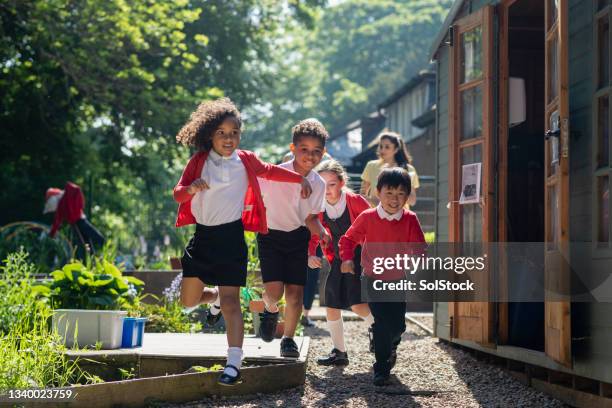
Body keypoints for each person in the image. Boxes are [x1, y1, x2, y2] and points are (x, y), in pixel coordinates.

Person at [173, 97, 312, 386]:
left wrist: (299, 179)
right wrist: (190, 188)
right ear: (210, 134)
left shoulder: (245, 160)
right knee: (187, 302)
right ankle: (211, 300)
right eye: (222, 133)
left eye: (234, 133)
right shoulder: (199, 161)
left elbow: (270, 171)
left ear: (240, 135)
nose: (228, 138)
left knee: (232, 303)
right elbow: (177, 194)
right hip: (202, 239)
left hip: (232, 239)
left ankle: (234, 364)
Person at [339, 167, 426, 386]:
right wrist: (347, 259)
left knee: (397, 326)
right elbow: (347, 240)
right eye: (389, 193)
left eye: (400, 194)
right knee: (381, 323)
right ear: (378, 192)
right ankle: (381, 368)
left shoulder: (410, 219)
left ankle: (391, 345)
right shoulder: (367, 217)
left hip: (398, 278)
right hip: (372, 277)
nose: (394, 199)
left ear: (407, 196)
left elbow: (419, 248)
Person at [257, 118, 330, 358]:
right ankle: (269, 309)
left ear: (323, 153)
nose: (310, 156)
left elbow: (310, 218)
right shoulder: (275, 173)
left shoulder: (318, 184)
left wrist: (321, 230)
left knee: (296, 294)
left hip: (298, 237)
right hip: (270, 235)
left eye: (316, 151)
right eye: (304, 150)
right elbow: (253, 196)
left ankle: (288, 339)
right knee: (275, 292)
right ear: (293, 149)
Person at [308, 159, 375, 366]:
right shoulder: (317, 206)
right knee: (331, 301)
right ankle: (339, 352)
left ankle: (379, 328)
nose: (327, 189)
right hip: (336, 257)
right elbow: (312, 233)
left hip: (358, 256)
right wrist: (310, 254)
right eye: (322, 184)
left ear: (342, 182)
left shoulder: (355, 202)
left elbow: (373, 228)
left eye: (332, 184)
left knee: (356, 303)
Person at [360, 131, 419, 208]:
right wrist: (375, 202)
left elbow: (412, 201)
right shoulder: (371, 166)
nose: (382, 150)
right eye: (381, 146)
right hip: (376, 215)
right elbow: (362, 194)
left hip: (401, 216)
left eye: (387, 147)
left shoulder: (409, 169)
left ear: (396, 149)